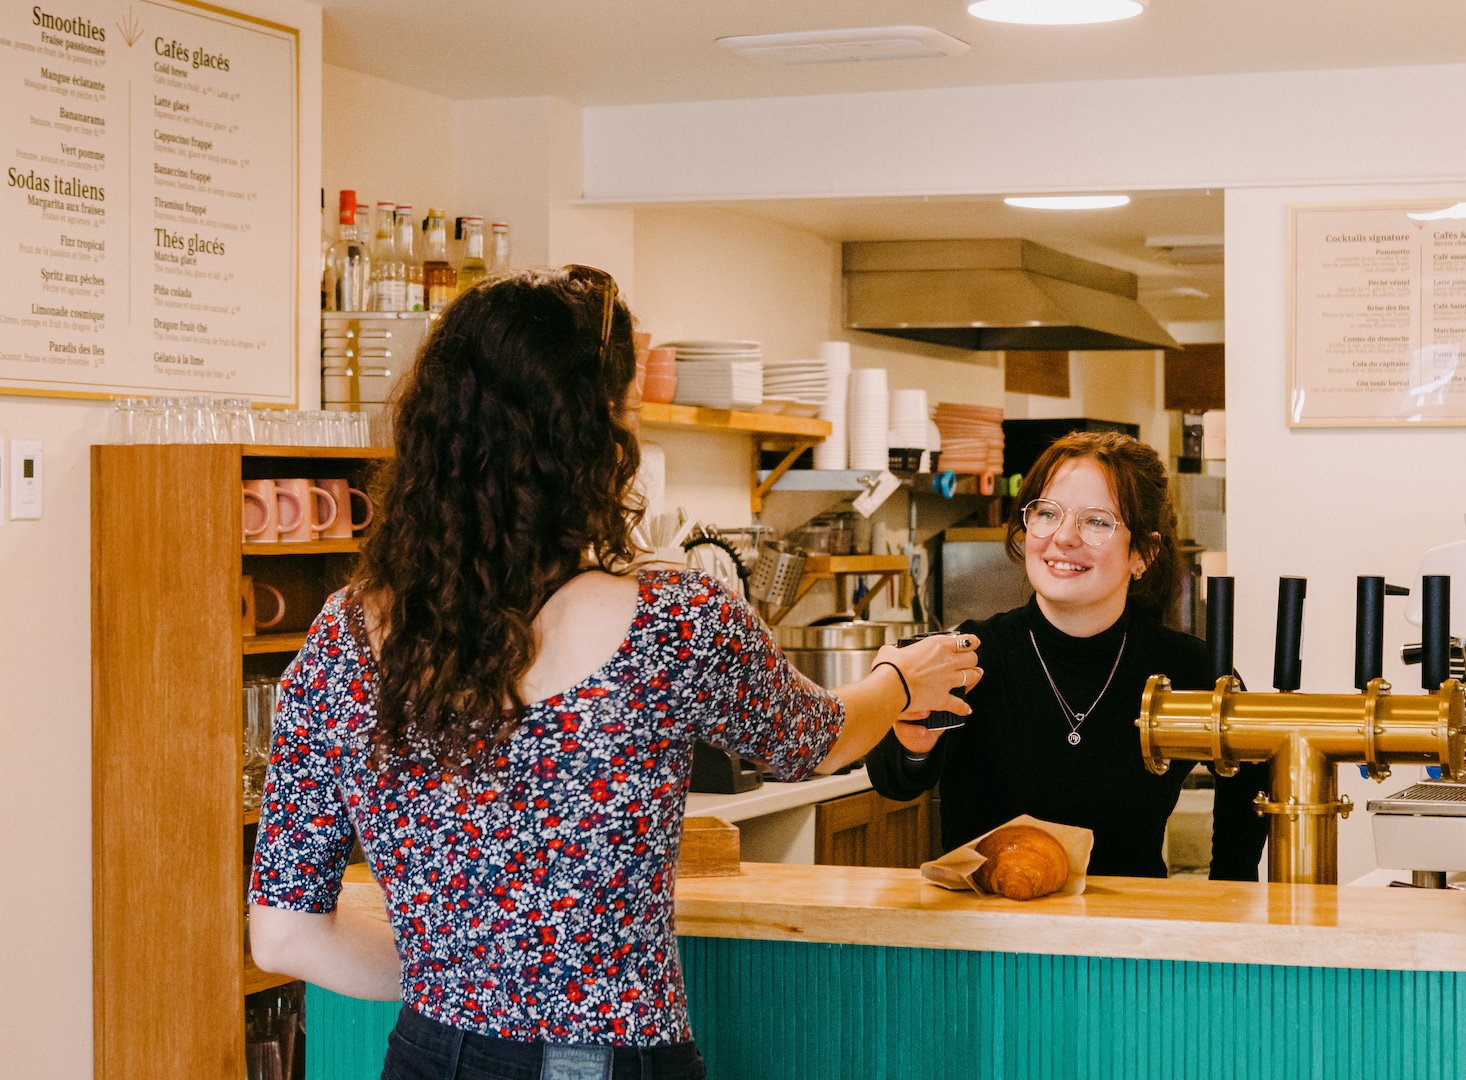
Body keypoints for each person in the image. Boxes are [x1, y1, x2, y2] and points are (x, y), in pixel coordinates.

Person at [244, 266, 980, 1079]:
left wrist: (466, 984)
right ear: (592, 439)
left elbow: (283, 934)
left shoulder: (340, 636)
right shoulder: (672, 620)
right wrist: (900, 679)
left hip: (428, 1058)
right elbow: (818, 738)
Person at [867, 431, 1266, 880]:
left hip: (1127, 935)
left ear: (1144, 554)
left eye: (1097, 521)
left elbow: (1250, 770)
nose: (1063, 537)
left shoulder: (1184, 667)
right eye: (1046, 513)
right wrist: (912, 745)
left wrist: (1229, 890)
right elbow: (894, 782)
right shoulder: (971, 654)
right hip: (987, 931)